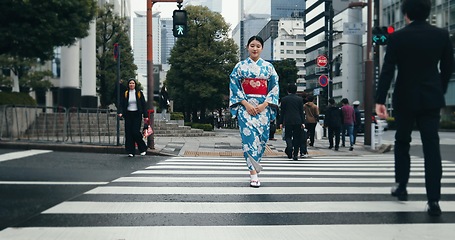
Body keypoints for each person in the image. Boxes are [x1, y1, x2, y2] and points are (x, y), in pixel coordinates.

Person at [375, 0, 454, 217]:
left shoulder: (398, 37)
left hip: (404, 98)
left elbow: (388, 70)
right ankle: (434, 200)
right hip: (431, 97)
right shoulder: (441, 35)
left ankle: (401, 186)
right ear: (428, 12)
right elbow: (448, 66)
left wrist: (380, 100)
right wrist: (440, 87)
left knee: (402, 142)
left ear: (406, 12)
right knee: (432, 148)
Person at [229, 35, 279, 188]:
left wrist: (265, 104)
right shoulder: (240, 66)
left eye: (258, 46)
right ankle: (253, 174)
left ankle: (256, 165)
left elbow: (274, 87)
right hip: (245, 109)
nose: (255, 48)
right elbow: (234, 85)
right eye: (252, 45)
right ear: (247, 48)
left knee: (262, 140)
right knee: (249, 141)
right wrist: (245, 104)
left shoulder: (269, 68)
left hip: (263, 108)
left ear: (262, 48)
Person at [118, 78, 148, 157]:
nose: (131, 85)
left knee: (135, 132)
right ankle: (130, 151)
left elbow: (143, 104)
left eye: (133, 83)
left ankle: (142, 148)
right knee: (128, 133)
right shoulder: (126, 93)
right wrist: (121, 112)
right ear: (128, 85)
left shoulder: (139, 93)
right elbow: (121, 104)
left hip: (137, 114)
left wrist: (146, 116)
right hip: (128, 114)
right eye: (130, 83)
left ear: (135, 85)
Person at [280, 83, 305, 161]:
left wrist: (281, 122)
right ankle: (295, 155)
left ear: (288, 90)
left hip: (288, 120)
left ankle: (290, 148)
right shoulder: (300, 99)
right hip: (298, 120)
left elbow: (282, 112)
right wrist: (303, 122)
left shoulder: (284, 99)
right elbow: (301, 112)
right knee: (297, 137)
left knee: (288, 136)